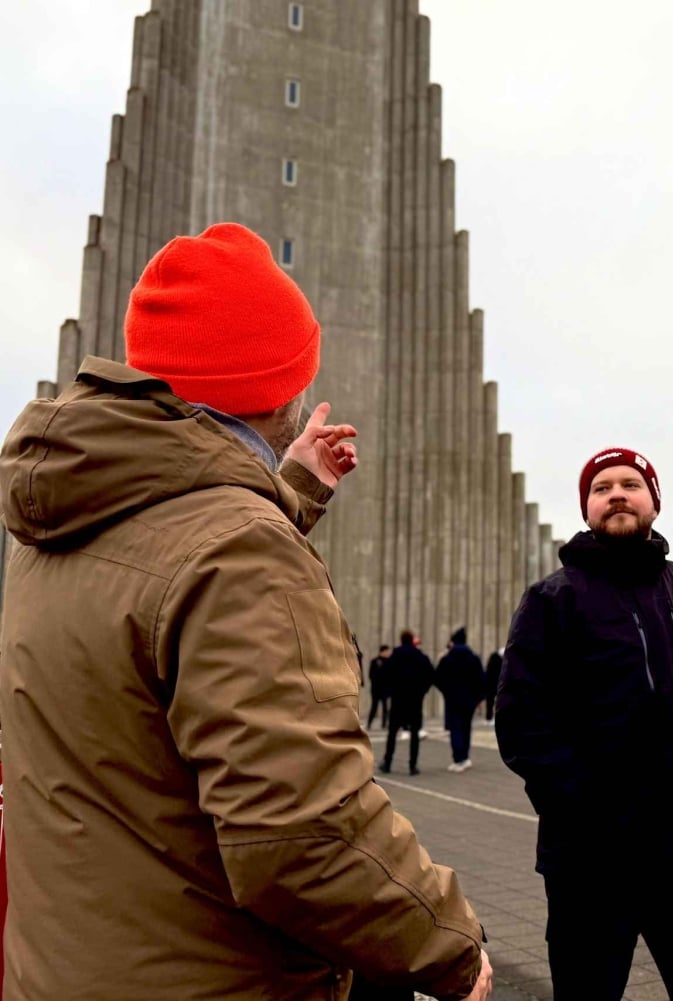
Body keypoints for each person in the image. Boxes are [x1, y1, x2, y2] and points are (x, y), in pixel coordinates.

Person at [0, 223, 491, 999]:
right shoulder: (240, 549)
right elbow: (302, 837)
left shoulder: (54, 523)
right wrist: (451, 943)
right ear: (279, 388)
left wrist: (285, 492)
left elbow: (157, 587)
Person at [496, 446, 673, 1001]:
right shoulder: (552, 600)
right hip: (592, 861)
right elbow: (521, 722)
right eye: (601, 487)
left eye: (630, 484)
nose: (616, 495)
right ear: (587, 508)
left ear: (654, 501)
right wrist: (583, 809)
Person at [382, 629, 435, 776]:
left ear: (401, 640)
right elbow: (431, 674)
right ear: (412, 640)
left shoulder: (395, 655)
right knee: (414, 733)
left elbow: (385, 673)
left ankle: (387, 762)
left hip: (398, 699)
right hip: (415, 700)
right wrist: (422, 691)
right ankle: (412, 765)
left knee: (392, 732)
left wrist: (391, 690)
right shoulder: (420, 656)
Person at [435, 626, 486, 772]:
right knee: (466, 727)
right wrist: (478, 698)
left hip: (453, 699)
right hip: (469, 701)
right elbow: (482, 680)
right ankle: (465, 756)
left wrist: (447, 692)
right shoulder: (474, 658)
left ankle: (458, 758)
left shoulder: (447, 659)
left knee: (455, 728)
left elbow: (437, 678)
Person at [367, 643, 393, 729]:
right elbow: (371, 675)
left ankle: (384, 724)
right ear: (383, 651)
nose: (388, 653)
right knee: (374, 707)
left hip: (385, 689)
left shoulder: (389, 661)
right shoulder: (375, 661)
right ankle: (369, 723)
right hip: (376, 689)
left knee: (385, 707)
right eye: (387, 651)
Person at [484, 648, 503, 721]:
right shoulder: (501, 661)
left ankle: (489, 717)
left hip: (491, 684)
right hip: (498, 684)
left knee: (490, 701)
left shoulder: (493, 660)